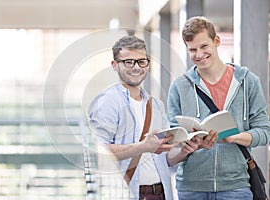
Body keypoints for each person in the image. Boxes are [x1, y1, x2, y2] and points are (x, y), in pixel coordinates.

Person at [167, 16, 270, 200]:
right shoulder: (179, 87)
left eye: (204, 46)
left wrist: (234, 137)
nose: (199, 54)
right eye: (192, 49)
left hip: (236, 187)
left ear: (217, 41)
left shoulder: (248, 82)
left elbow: (264, 132)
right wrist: (186, 148)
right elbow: (171, 152)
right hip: (191, 188)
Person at [88, 35, 182, 200]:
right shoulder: (108, 102)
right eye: (128, 62)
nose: (136, 67)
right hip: (128, 194)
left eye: (141, 61)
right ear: (114, 65)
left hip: (161, 193)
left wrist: (185, 150)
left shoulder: (156, 105)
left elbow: (164, 159)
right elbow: (99, 152)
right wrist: (141, 147)